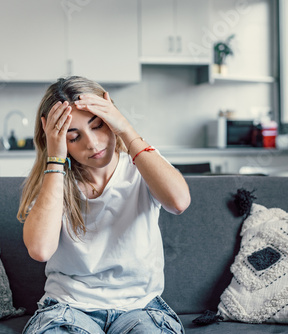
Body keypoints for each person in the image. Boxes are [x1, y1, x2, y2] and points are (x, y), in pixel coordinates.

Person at [17, 76, 190, 334]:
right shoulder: (53, 182)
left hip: (139, 309)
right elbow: (41, 250)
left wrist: (127, 130)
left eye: (98, 126)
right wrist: (55, 159)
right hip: (68, 308)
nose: (92, 143)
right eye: (73, 137)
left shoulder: (142, 164)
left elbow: (179, 203)